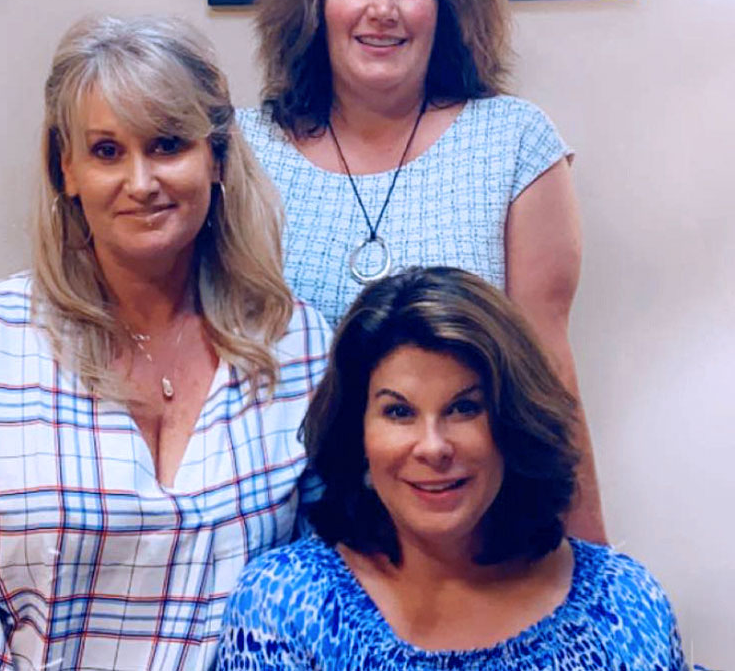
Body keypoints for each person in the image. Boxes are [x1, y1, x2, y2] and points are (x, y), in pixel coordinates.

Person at [0, 16, 331, 670]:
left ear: (217, 157)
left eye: (168, 145)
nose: (141, 182)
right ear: (67, 170)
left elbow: (343, 595)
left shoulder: (297, 345)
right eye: (107, 152)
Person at [238, 0, 606, 541]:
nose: (383, 9)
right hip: (275, 541)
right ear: (316, 0)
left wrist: (590, 567)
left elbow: (548, 377)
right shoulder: (241, 151)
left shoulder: (514, 143)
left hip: (467, 542)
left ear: (447, 7)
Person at [217, 267, 687, 670]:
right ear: (356, 433)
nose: (433, 447)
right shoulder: (285, 606)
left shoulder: (621, 603)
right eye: (399, 412)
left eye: (464, 409)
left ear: (512, 422)